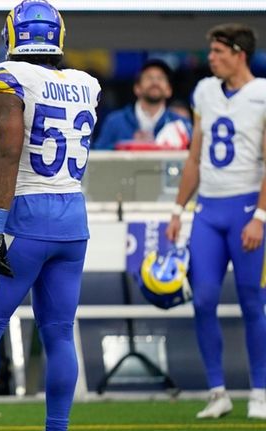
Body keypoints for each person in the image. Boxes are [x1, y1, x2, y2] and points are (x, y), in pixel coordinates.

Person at [0, 2, 100, 431]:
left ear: (12, 35)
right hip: (72, 220)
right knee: (58, 332)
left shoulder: (9, 76)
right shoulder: (86, 83)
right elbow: (50, 151)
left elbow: (10, 148)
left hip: (24, 217)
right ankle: (57, 426)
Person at [165, 23, 266, 420]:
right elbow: (194, 155)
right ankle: (217, 391)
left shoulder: (261, 95)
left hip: (246, 209)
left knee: (252, 303)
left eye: (218, 52)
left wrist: (260, 215)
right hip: (208, 209)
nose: (211, 58)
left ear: (239, 53)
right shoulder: (205, 91)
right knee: (203, 299)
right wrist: (177, 209)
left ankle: (260, 390)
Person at [93, 59, 190, 150]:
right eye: (149, 77)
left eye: (160, 78)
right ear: (137, 88)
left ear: (169, 90)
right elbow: (97, 156)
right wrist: (128, 146)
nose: (155, 82)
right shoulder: (115, 121)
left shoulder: (181, 124)